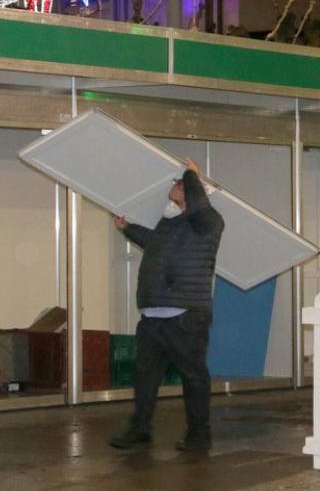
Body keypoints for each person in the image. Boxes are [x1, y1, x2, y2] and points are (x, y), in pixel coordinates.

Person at [109, 157, 224, 452]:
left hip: (186, 315)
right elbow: (156, 242)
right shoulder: (170, 221)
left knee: (193, 376)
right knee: (145, 375)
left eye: (179, 183)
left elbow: (198, 206)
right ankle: (140, 430)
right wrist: (128, 228)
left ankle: (199, 434)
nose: (173, 186)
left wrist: (191, 174)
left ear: (195, 189)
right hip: (154, 314)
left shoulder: (209, 221)